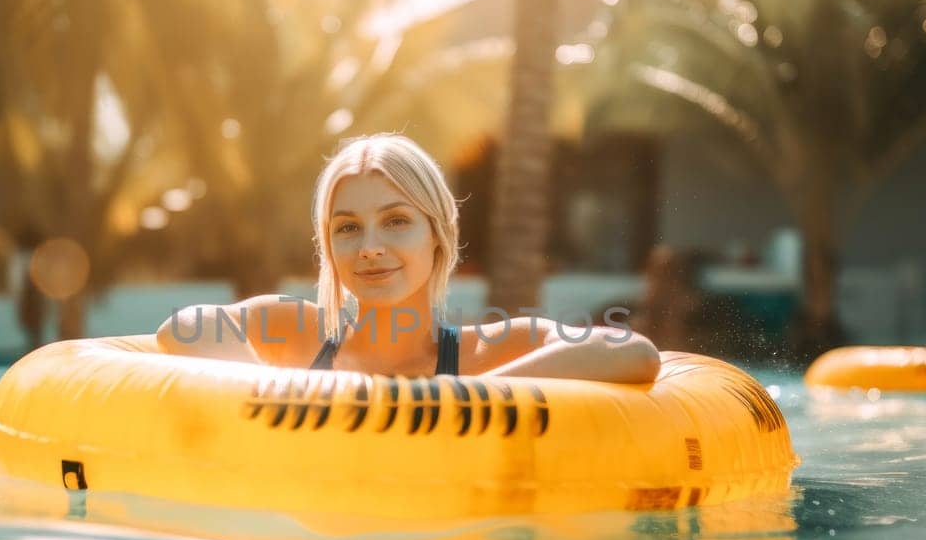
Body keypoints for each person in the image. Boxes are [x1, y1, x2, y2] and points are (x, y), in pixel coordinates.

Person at [156, 134, 660, 382]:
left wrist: (461, 398)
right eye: (348, 228)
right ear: (329, 248)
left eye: (396, 221)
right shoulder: (297, 334)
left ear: (437, 234)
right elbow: (184, 327)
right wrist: (280, 398)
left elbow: (633, 352)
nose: (371, 247)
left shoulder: (481, 354)